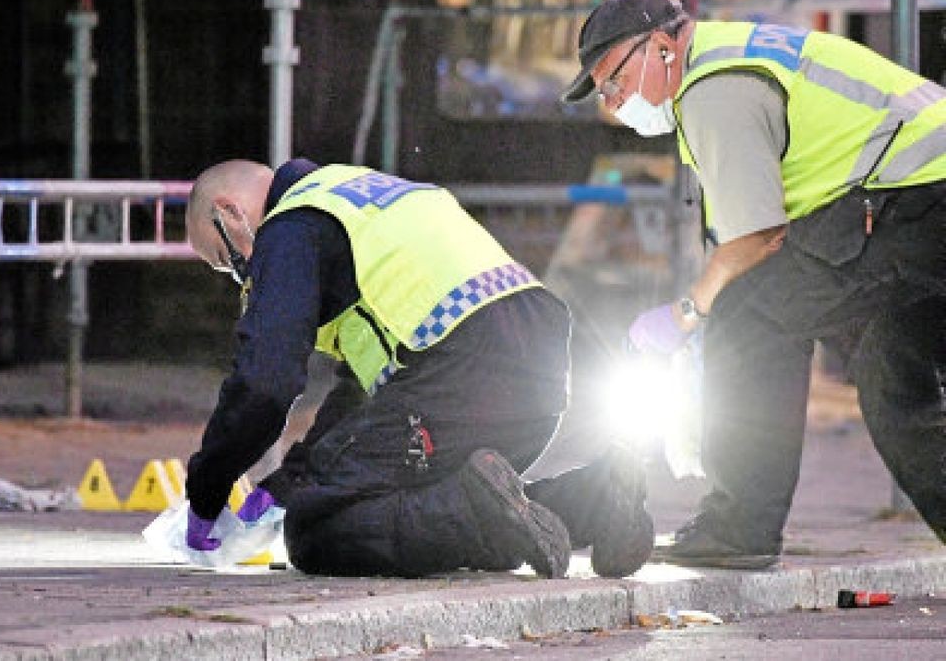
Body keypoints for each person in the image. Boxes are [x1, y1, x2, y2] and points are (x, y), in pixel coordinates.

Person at [563, 0, 946, 568]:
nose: (615, 104)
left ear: (663, 47)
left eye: (614, 81)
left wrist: (687, 316)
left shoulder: (714, 90)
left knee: (752, 316)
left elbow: (759, 238)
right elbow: (743, 238)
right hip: (917, 202)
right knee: (887, 368)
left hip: (915, 198)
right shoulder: (730, 62)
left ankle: (739, 526)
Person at [182, 158, 655, 578]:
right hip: (533, 366)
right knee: (411, 495)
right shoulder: (357, 194)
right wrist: (294, 475)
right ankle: (594, 501)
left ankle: (485, 518)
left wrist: (207, 491)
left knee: (317, 528)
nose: (241, 276)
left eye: (226, 260)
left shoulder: (290, 225)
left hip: (460, 366)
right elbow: (365, 396)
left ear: (231, 212)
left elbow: (265, 381)